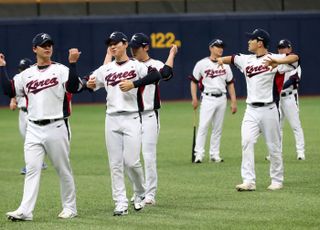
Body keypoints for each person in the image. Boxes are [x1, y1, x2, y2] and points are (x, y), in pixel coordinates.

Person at [0, 32, 83, 221]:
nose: (47, 47)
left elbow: (72, 88)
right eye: (43, 44)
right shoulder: (26, 74)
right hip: (33, 129)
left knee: (63, 169)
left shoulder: (61, 69)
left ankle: (70, 207)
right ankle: (25, 210)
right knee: (32, 169)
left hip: (57, 126)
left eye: (49, 44)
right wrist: (2, 68)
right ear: (34, 49)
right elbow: (9, 90)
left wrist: (72, 64)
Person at [86, 31, 161, 216]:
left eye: (116, 43)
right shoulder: (106, 69)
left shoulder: (136, 66)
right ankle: (120, 202)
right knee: (115, 164)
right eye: (110, 44)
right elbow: (89, 82)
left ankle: (140, 191)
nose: (113, 46)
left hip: (132, 117)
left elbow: (156, 76)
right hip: (111, 118)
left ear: (125, 44)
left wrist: (134, 84)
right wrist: (88, 83)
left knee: (132, 162)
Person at [216, 28, 300, 191]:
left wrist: (279, 62)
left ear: (259, 42)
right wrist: (220, 60)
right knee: (246, 141)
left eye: (251, 39)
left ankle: (276, 180)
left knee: (274, 146)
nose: (248, 41)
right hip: (251, 110)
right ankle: (249, 181)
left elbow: (296, 58)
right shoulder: (246, 59)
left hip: (270, 109)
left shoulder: (275, 58)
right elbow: (232, 58)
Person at [116, 33, 177, 205]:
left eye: (137, 47)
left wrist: (171, 54)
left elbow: (166, 73)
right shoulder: (129, 65)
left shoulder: (155, 64)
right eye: (132, 47)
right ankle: (139, 191)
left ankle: (150, 194)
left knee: (148, 156)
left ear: (146, 47)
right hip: (131, 117)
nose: (133, 50)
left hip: (150, 115)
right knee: (129, 158)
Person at [189, 38, 237, 163]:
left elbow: (230, 83)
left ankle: (214, 154)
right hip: (208, 98)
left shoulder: (226, 64)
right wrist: (194, 98)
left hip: (222, 98)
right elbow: (193, 81)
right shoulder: (202, 63)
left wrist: (234, 101)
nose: (220, 49)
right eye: (217, 46)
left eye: (221, 46)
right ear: (211, 48)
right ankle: (199, 154)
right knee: (203, 126)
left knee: (217, 128)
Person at [266, 39, 305, 161]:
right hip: (278, 98)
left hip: (289, 97)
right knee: (278, 127)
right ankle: (277, 153)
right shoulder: (277, 62)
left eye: (284, 47)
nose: (281, 50)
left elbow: (293, 79)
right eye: (280, 48)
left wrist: (280, 87)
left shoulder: (293, 61)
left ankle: (300, 152)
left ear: (289, 49)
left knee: (295, 125)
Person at [9, 58, 48, 175]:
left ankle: (33, 164)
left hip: (33, 113)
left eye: (24, 69)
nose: (22, 71)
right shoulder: (19, 79)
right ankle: (38, 162)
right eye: (21, 69)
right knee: (25, 138)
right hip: (22, 113)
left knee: (31, 140)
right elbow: (13, 90)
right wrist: (13, 100)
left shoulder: (35, 78)